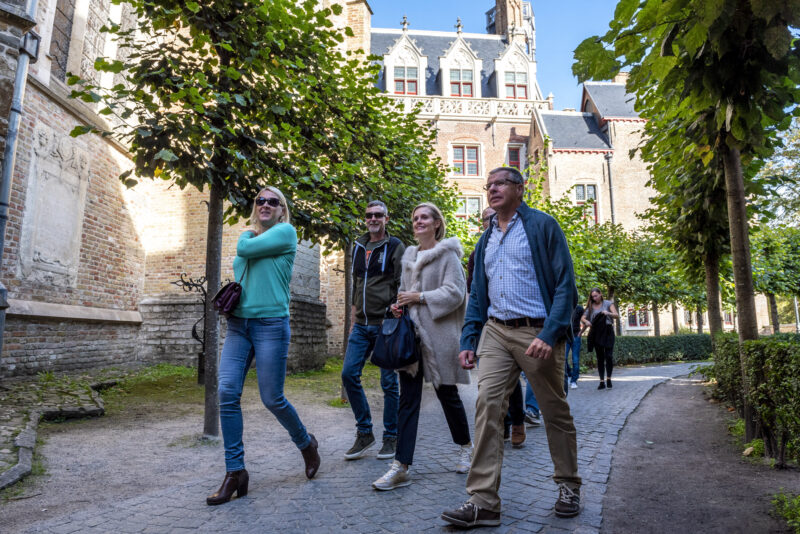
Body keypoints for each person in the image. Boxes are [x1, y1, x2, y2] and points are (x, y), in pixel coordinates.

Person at [441, 167, 582, 528]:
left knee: (554, 411)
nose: (492, 190)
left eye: (500, 183)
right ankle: (483, 501)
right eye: (488, 185)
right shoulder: (486, 238)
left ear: (520, 189)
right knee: (487, 404)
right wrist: (469, 338)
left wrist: (549, 334)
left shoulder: (542, 226)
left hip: (537, 332)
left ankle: (568, 485)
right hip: (496, 333)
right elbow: (478, 297)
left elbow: (565, 285)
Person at [208, 186, 320, 506]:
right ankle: (235, 472)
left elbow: (243, 249)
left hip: (271, 324)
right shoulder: (257, 239)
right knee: (227, 392)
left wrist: (245, 235)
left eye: (274, 201)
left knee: (272, 397)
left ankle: (306, 443)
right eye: (261, 200)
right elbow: (246, 260)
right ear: (255, 206)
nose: (266, 204)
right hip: (239, 325)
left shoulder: (285, 233)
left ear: (282, 210)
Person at [372, 203, 473, 490]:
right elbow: (407, 293)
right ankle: (401, 466)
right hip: (411, 337)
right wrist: (399, 303)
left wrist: (418, 297)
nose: (418, 221)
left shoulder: (448, 254)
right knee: (408, 400)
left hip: (438, 335)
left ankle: (466, 446)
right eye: (415, 218)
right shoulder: (409, 255)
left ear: (437, 223)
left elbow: (455, 293)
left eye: (424, 217)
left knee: (448, 395)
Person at [342, 200, 403, 460]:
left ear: (386, 219)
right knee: (348, 374)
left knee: (388, 382)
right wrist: (353, 320)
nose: (373, 219)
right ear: (365, 219)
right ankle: (365, 432)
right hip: (362, 325)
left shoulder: (395, 246)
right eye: (369, 215)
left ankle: (391, 436)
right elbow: (357, 284)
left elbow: (402, 282)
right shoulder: (357, 246)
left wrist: (398, 309)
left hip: (385, 324)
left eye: (378, 215)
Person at [468, 207, 527, 448]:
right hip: (490, 323)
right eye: (487, 219)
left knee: (513, 381)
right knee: (491, 382)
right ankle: (499, 424)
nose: (491, 221)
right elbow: (473, 290)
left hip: (517, 320)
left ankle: (518, 421)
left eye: (494, 217)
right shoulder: (478, 251)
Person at [580, 288, 618, 389]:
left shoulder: (608, 304)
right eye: (593, 296)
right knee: (600, 358)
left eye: (596, 295)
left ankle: (609, 378)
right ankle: (602, 381)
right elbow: (583, 317)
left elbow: (616, 315)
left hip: (608, 332)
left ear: (601, 294)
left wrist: (608, 313)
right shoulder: (591, 306)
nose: (594, 298)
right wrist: (586, 321)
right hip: (596, 333)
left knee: (609, 356)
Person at [566, 304, 585, 389]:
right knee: (563, 358)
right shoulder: (564, 306)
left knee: (575, 360)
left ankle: (574, 381)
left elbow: (585, 321)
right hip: (566, 336)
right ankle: (570, 373)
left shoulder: (579, 308)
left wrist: (581, 332)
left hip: (576, 336)